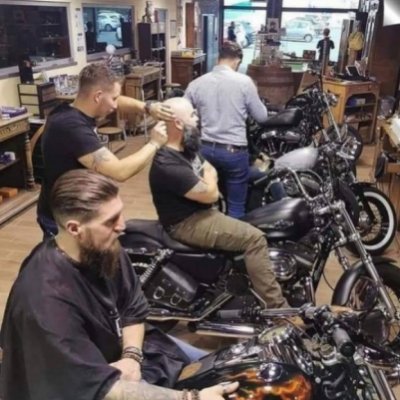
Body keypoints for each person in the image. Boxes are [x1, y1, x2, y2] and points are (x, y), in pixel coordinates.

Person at [0, 169, 239, 400]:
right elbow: (96, 387)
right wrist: (191, 397)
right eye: (110, 220)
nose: (122, 226)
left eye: (120, 213)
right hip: (82, 384)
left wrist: (131, 356)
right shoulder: (46, 301)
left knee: (229, 366)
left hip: (127, 354)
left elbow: (133, 307)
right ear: (74, 228)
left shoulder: (103, 247)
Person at [149, 97, 288, 310]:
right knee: (255, 239)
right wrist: (209, 183)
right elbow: (211, 195)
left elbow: (210, 170)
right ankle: (278, 309)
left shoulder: (186, 149)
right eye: (192, 115)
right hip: (187, 223)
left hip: (202, 213)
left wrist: (209, 180)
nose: (197, 118)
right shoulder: (167, 162)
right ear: (178, 123)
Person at [37, 62, 173, 237]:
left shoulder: (69, 109)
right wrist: (154, 143)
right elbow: (120, 171)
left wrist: (146, 107)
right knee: (66, 255)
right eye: (113, 98)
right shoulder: (71, 127)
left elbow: (117, 101)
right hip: (63, 218)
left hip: (79, 205)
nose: (116, 105)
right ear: (97, 96)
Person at [185, 41, 269, 218]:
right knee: (236, 206)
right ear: (237, 61)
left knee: (201, 203)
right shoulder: (245, 83)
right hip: (233, 152)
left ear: (219, 58)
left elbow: (183, 114)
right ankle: (231, 233)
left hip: (204, 150)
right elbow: (262, 116)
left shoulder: (197, 83)